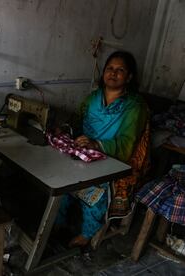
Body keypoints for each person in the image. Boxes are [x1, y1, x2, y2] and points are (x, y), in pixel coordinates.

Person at [55, 51, 149, 247]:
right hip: (86, 153)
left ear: (129, 77)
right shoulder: (92, 98)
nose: (113, 73)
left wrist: (97, 144)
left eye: (120, 70)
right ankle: (57, 224)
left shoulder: (134, 106)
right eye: (110, 68)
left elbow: (127, 143)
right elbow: (77, 122)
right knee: (58, 178)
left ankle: (87, 233)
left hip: (113, 159)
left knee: (94, 188)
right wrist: (64, 130)